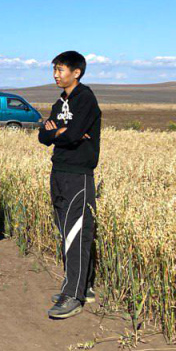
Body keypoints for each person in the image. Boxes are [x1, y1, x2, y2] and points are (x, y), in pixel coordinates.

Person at [39, 51, 101, 320]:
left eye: (60, 69)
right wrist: (58, 132)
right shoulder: (61, 100)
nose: (55, 74)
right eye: (54, 69)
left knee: (77, 233)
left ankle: (73, 295)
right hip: (59, 170)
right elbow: (43, 135)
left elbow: (74, 135)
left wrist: (60, 131)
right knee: (66, 230)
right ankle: (81, 286)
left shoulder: (85, 98)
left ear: (76, 72)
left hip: (78, 174)